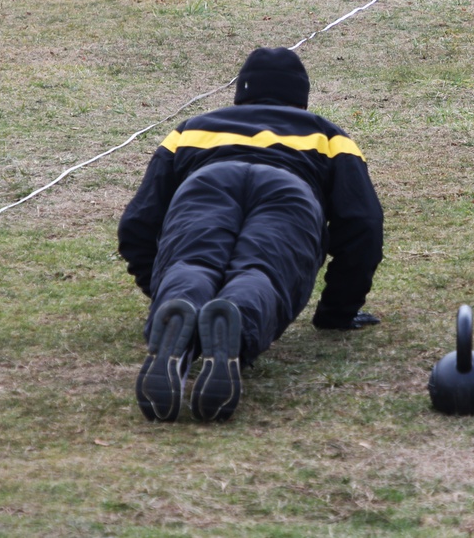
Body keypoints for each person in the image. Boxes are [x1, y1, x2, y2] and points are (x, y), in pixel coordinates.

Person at [118, 47, 384, 422]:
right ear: (301, 97)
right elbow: (363, 225)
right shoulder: (328, 135)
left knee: (192, 262)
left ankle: (179, 311)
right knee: (260, 272)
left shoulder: (191, 130)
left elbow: (139, 221)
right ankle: (234, 327)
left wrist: (158, 288)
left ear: (240, 92)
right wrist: (337, 312)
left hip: (207, 182)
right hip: (288, 191)